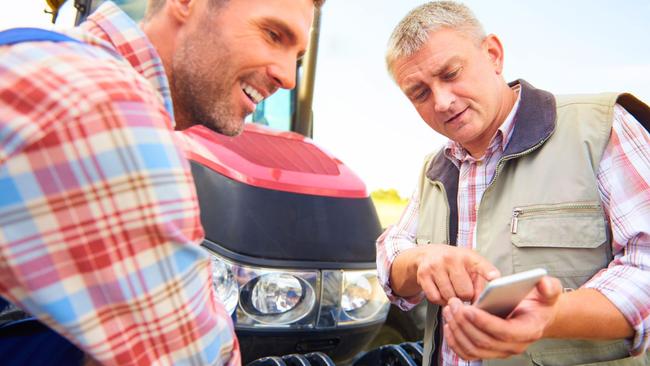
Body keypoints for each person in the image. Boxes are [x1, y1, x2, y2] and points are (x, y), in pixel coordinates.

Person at [0, 0, 323, 364]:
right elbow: (193, 357)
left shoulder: (49, 57)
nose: (288, 77)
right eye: (272, 34)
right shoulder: (108, 108)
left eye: (296, 56)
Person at [376, 1, 650, 365]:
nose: (442, 102)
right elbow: (393, 251)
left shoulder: (600, 128)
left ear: (492, 54)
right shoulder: (434, 169)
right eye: (420, 93)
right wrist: (420, 261)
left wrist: (553, 316)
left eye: (451, 73)